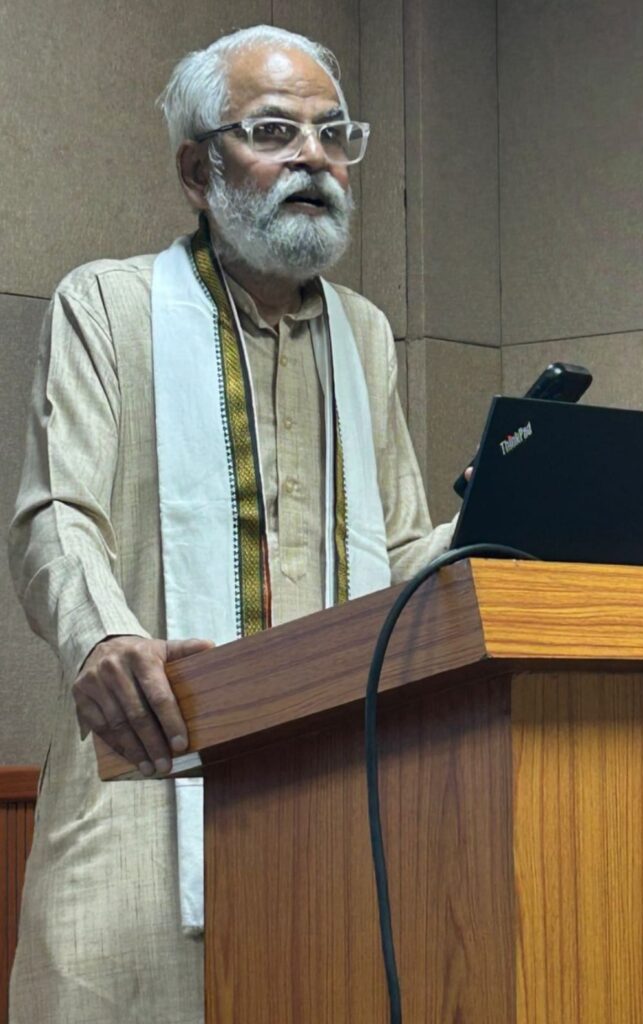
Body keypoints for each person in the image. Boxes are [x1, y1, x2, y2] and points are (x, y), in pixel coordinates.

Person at [8, 25, 456, 1024]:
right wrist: (102, 636)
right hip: (142, 791)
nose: (313, 158)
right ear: (196, 171)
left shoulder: (364, 334)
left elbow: (393, 551)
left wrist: (498, 528)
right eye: (274, 131)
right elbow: (55, 518)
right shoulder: (109, 307)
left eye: (333, 133)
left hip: (334, 808)